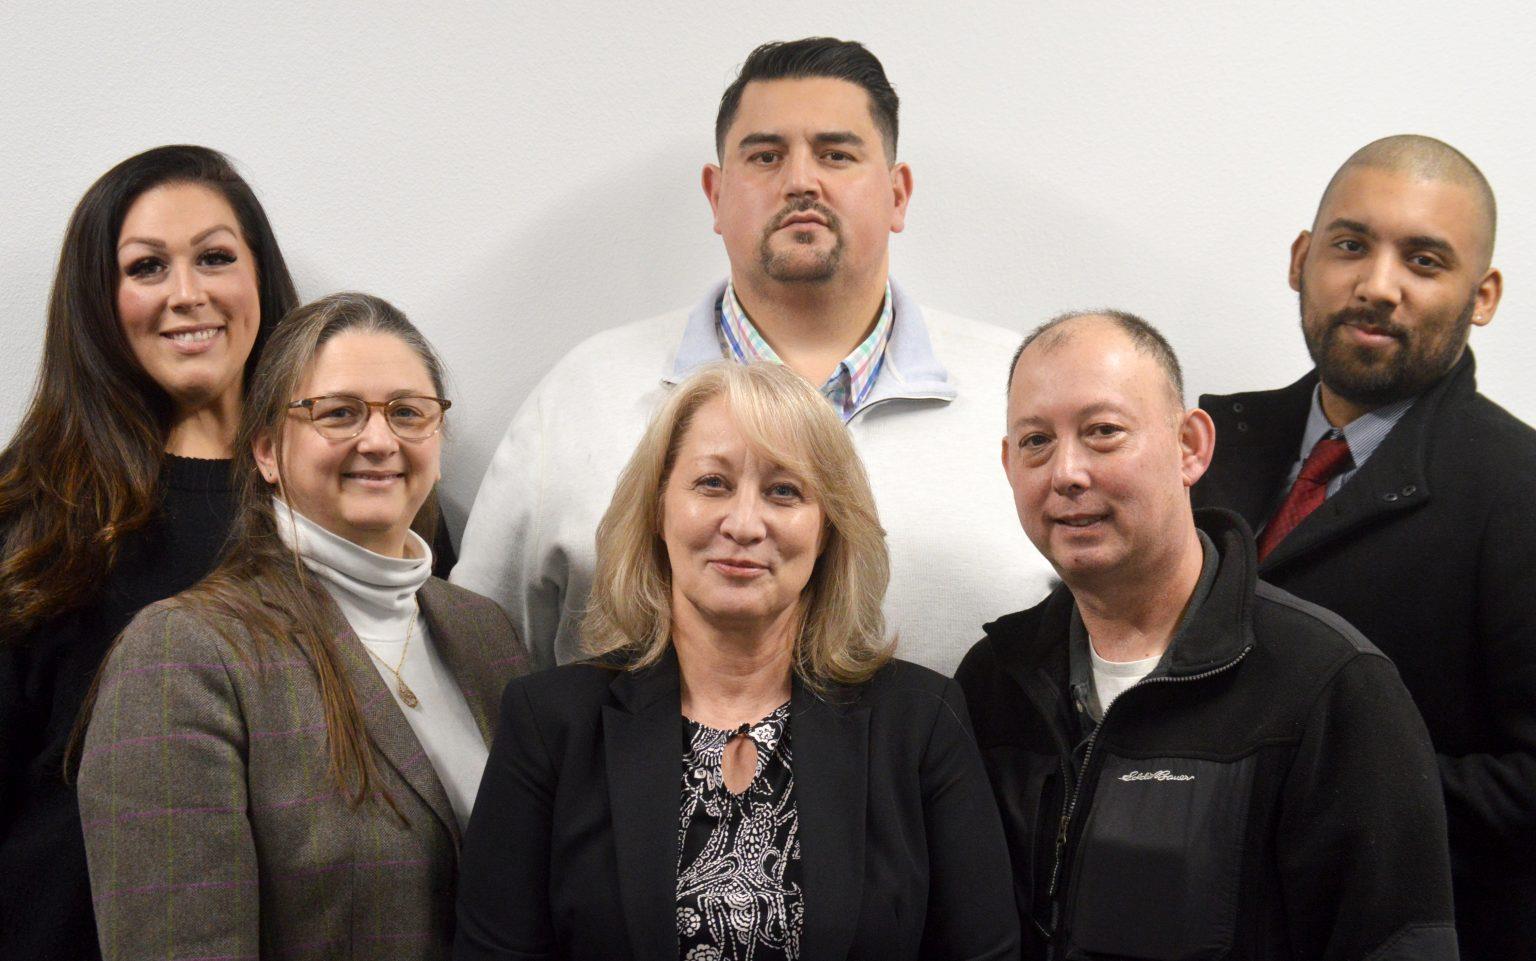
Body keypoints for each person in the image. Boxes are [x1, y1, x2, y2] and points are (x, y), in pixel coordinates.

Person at [453, 37, 1052, 675]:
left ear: (898, 194)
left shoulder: (1022, 394)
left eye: (837, 154)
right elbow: (478, 663)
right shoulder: (582, 395)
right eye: (766, 156)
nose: (801, 181)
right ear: (715, 195)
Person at [455, 362, 1018, 961]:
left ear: (827, 529)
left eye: (784, 491)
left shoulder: (922, 722)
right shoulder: (550, 725)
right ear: (657, 509)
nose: (745, 524)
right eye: (713, 484)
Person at [958, 312, 1457, 960]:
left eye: (1102, 432)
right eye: (1035, 442)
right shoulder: (995, 681)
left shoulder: (1327, 687)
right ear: (1007, 464)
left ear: (1190, 445)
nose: (1066, 473)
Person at [76, 293, 527, 960]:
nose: (379, 440)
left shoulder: (484, 633)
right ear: (265, 451)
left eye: (408, 412)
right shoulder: (179, 658)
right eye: (338, 413)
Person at [1192, 134, 1535, 959]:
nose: (1377, 286)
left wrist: (1305, 789)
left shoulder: (1519, 491)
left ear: (1482, 295)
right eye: (1351, 246)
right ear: (1302, 259)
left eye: (1424, 261)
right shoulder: (1205, 444)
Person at [0, 144, 298, 960]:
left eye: (213, 257)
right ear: (100, 301)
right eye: (146, 268)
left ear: (259, 277)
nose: (187, 294)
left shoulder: (355, 491)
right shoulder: (29, 512)